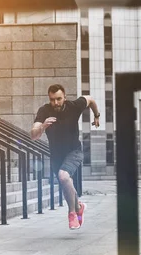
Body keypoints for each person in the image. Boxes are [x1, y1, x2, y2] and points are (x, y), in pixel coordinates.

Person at [30, 84, 100, 229]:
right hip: (56, 156)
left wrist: (97, 115)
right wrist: (42, 127)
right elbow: (33, 135)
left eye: (59, 99)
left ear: (65, 97)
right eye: (52, 100)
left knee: (63, 176)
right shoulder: (44, 111)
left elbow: (91, 100)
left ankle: (72, 213)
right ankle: (79, 206)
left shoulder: (74, 106)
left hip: (74, 151)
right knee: (66, 181)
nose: (56, 103)